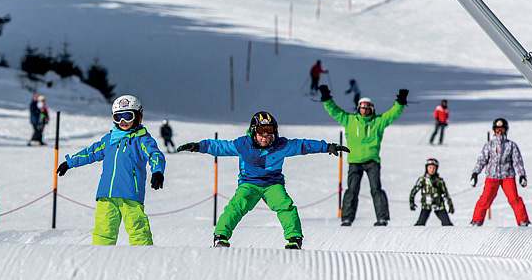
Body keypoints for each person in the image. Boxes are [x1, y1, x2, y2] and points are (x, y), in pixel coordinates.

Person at [177, 111, 349, 249]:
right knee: (237, 206)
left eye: (269, 132)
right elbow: (221, 146)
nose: (265, 137)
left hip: (272, 184)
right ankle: (220, 236)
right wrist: (199, 146)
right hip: (249, 184)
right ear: (253, 132)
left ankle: (294, 239)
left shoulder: (281, 145)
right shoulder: (243, 145)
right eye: (261, 133)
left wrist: (328, 146)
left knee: (285, 205)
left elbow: (304, 145)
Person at [56, 95, 166, 245]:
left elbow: (155, 154)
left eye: (128, 116)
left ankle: (143, 254)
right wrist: (70, 162)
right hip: (106, 194)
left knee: (137, 229)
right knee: (103, 230)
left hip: (130, 194)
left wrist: (157, 170)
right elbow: (91, 152)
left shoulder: (142, 139)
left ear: (138, 117)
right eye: (118, 117)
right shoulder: (109, 140)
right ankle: (100, 255)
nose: (123, 121)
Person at [319, 84, 408, 226]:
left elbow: (392, 114)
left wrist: (400, 103)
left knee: (376, 189)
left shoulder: (378, 122)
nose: (364, 110)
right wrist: (326, 98)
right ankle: (347, 219)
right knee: (352, 190)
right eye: (362, 108)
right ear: (358, 108)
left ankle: (382, 218)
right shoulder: (349, 120)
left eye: (367, 108)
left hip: (372, 161)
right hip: (354, 161)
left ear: (371, 109)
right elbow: (334, 111)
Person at [470, 118, 530, 227]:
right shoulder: (489, 145)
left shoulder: (511, 145)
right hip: (492, 176)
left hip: (507, 176)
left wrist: (521, 175)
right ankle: (476, 221)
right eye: (497, 129)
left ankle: (523, 221)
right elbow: (482, 160)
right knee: (485, 199)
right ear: (494, 130)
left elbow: (517, 161)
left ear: (506, 130)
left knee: (514, 198)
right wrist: (475, 173)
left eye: (502, 129)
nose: (499, 132)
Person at [409, 158, 454, 226]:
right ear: (426, 168)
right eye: (430, 168)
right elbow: (413, 191)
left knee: (447, 224)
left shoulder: (439, 181)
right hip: (426, 205)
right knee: (420, 224)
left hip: (438, 205)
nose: (432, 170)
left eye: (434, 168)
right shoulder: (423, 180)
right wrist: (411, 202)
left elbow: (445, 194)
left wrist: (450, 205)